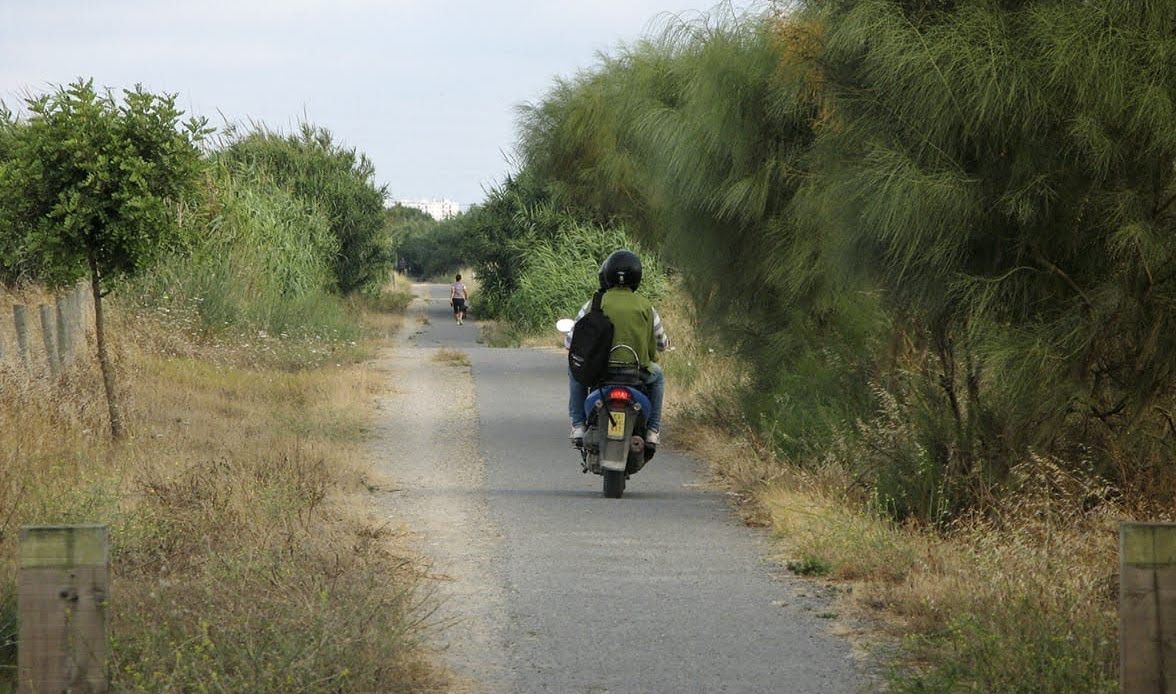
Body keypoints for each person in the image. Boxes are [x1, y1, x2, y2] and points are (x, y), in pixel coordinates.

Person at [566, 249, 668, 448]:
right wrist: (662, 345)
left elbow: (572, 341)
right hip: (636, 373)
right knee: (659, 377)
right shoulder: (646, 306)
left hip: (600, 373)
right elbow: (659, 342)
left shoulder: (594, 303)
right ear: (637, 277)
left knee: (574, 370)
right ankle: (653, 430)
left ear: (607, 275)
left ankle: (578, 425)